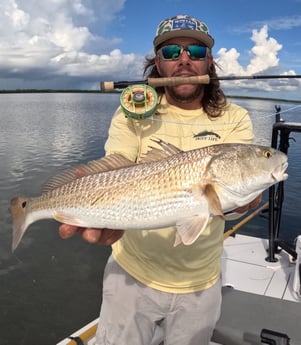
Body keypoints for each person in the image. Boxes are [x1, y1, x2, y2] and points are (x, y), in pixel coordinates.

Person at [59, 14, 260, 345]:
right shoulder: (134, 111)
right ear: (157, 64)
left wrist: (245, 200)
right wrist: (96, 204)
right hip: (131, 276)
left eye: (195, 51)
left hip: (201, 284)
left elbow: (234, 195)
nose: (184, 61)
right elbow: (114, 172)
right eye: (171, 53)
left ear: (209, 62)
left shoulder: (235, 117)